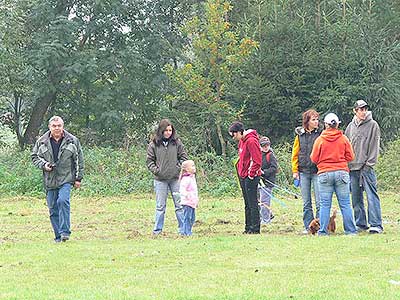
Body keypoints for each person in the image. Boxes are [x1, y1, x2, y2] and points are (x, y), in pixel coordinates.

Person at [31, 116, 84, 243]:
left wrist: (78, 178)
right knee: (52, 208)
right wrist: (44, 165)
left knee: (63, 200)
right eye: (54, 126)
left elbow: (79, 160)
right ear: (49, 127)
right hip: (49, 180)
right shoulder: (41, 141)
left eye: (59, 125)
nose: (57, 128)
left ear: (63, 126)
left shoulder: (72, 140)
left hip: (66, 178)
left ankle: (65, 232)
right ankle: (58, 237)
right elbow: (34, 157)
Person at [310, 113, 357, 235]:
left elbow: (314, 158)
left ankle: (323, 232)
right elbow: (351, 156)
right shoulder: (343, 138)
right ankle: (351, 231)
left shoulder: (320, 140)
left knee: (325, 204)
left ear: (325, 125)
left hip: (325, 173)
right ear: (337, 124)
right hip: (342, 172)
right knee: (345, 203)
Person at [345, 100, 383, 234]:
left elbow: (374, 146)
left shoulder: (373, 125)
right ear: (355, 111)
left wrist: (369, 163)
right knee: (356, 198)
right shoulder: (350, 127)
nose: (363, 112)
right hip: (352, 167)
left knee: (372, 196)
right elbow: (346, 145)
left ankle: (376, 224)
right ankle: (360, 223)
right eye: (360, 109)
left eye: (365, 109)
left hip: (366, 167)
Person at [146, 119, 188, 235]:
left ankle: (183, 230)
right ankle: (157, 231)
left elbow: (184, 157)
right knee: (160, 206)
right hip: (160, 180)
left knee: (179, 205)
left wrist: (178, 168)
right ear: (161, 131)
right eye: (166, 130)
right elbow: (149, 161)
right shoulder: (154, 144)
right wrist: (156, 171)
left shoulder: (177, 143)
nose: (169, 132)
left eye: (170, 130)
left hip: (175, 179)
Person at [291, 109, 322, 233]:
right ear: (307, 121)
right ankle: (308, 227)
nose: (316, 122)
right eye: (313, 120)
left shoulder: (320, 134)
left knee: (320, 201)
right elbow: (295, 153)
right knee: (306, 202)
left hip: (317, 171)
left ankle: (320, 226)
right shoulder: (300, 136)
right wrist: (295, 170)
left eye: (317, 119)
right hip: (303, 171)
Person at [229, 121, 262, 234]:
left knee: (253, 203)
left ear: (239, 132)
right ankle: (248, 228)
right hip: (243, 175)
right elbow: (242, 158)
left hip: (250, 176)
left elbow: (257, 160)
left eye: (234, 135)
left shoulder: (251, 141)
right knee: (247, 203)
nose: (233, 138)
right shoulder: (242, 142)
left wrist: (251, 174)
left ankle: (255, 228)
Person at [259, 136, 278, 225]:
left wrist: (264, 172)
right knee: (259, 201)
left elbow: (274, 168)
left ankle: (266, 221)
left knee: (264, 202)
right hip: (259, 182)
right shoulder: (258, 155)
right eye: (263, 145)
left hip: (267, 182)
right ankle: (268, 215)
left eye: (267, 145)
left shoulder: (271, 155)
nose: (265, 147)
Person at [179, 160, 199, 236]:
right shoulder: (185, 179)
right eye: (192, 166)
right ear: (186, 169)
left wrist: (196, 200)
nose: (194, 168)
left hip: (192, 203)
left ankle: (187, 231)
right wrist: (188, 196)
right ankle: (186, 232)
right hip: (187, 203)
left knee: (192, 219)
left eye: (194, 165)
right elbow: (182, 190)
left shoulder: (192, 178)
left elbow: (194, 191)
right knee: (187, 218)